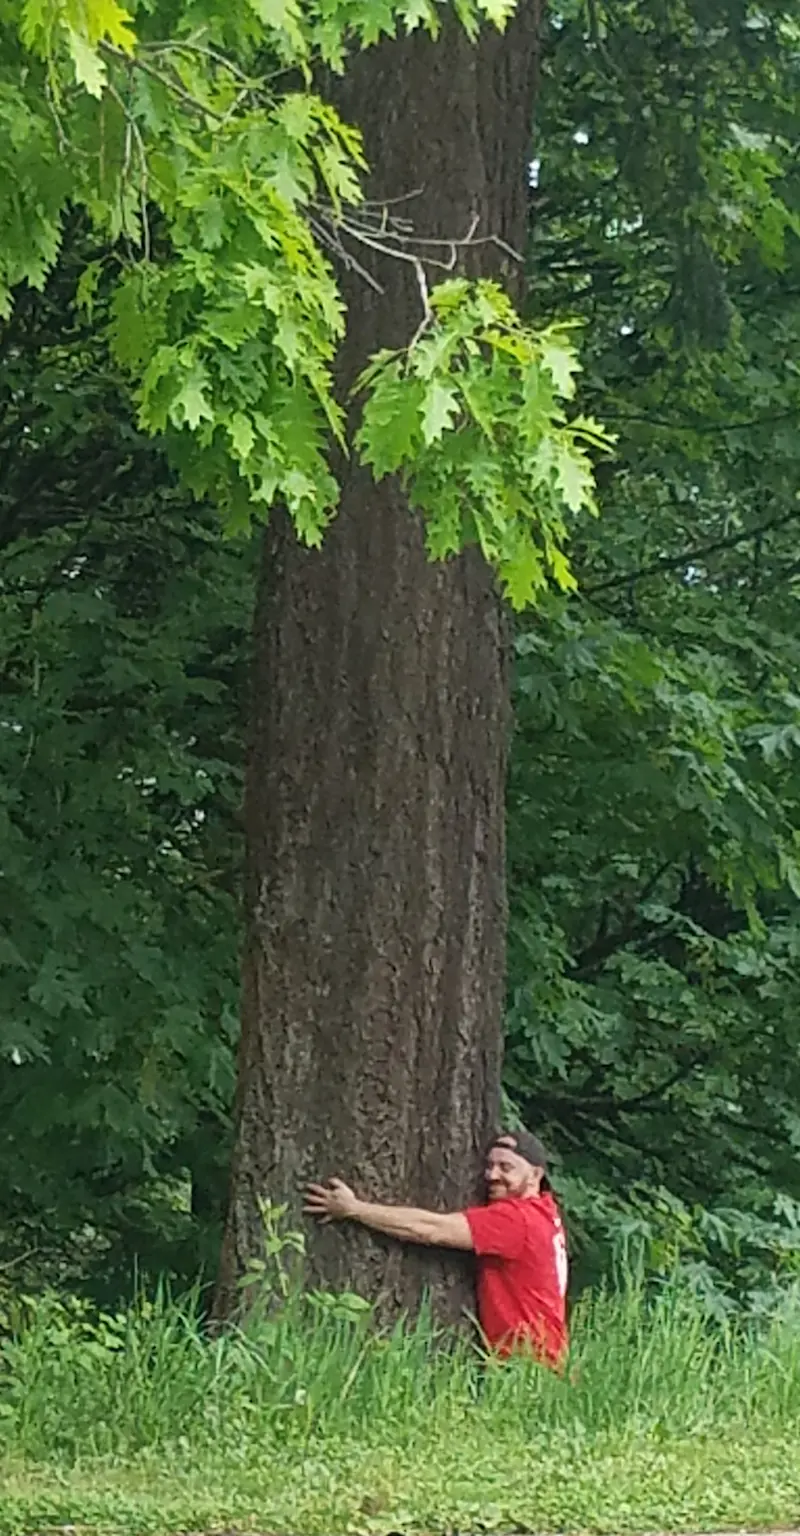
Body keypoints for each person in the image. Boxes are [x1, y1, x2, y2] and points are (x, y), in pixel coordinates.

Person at [304, 1128, 568, 1365]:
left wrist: (355, 1209)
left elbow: (431, 1229)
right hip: (544, 1361)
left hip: (527, 1364)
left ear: (536, 1175)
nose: (491, 1175)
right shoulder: (546, 1212)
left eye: (506, 1168)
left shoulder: (516, 1219)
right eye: (489, 1166)